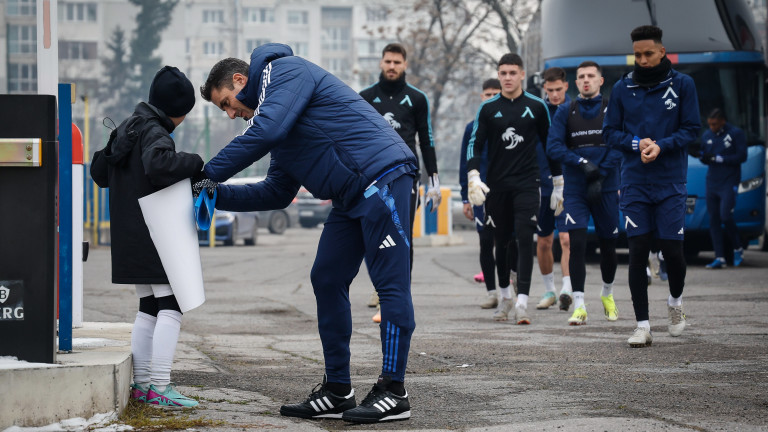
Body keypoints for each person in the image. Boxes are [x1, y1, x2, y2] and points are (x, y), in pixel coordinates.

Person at [196, 44, 416, 423]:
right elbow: (277, 191)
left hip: (385, 179)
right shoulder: (276, 118)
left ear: (239, 80)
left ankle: (394, 391)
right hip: (349, 198)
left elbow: (268, 130)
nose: (232, 114)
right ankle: (337, 390)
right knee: (326, 277)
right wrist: (214, 195)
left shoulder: (285, 71)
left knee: (390, 286)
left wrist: (206, 173)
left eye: (226, 104)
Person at [90, 66, 202, 407]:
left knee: (149, 306)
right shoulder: (155, 131)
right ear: (177, 110)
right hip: (155, 233)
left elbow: (99, 172)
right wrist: (196, 162)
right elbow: (159, 164)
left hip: (128, 234)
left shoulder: (127, 127)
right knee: (172, 304)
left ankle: (141, 385)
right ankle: (160, 387)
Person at [603, 25, 701, 347]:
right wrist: (635, 143)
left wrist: (661, 145)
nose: (642, 60)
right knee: (637, 251)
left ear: (661, 51)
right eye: (638, 54)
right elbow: (609, 133)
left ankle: (675, 303)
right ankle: (642, 326)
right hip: (633, 182)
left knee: (672, 251)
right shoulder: (621, 88)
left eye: (648, 53)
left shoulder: (683, 84)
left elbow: (691, 130)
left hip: (670, 180)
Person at [466, 53, 561, 324]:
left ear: (521, 74)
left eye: (512, 73)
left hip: (528, 184)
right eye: (503, 73)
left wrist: (559, 184)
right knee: (502, 242)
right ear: (499, 75)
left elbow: (550, 146)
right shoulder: (487, 109)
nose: (507, 77)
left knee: (523, 236)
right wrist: (473, 176)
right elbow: (475, 143)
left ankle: (522, 302)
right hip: (496, 187)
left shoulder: (536, 106)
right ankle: (505, 296)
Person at [360, 43, 440, 322]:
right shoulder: (365, 97)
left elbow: (427, 141)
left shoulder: (417, 98)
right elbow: (354, 139)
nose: (392, 66)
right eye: (388, 61)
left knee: (402, 236)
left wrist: (434, 180)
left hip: (406, 178)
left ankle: (398, 292)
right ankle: (379, 288)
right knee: (374, 235)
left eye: (397, 62)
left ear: (405, 65)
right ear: (381, 63)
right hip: (373, 178)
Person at [547, 61, 621, 325]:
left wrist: (600, 173)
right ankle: (579, 303)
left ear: (601, 80)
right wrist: (582, 164)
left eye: (591, 76)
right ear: (575, 83)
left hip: (607, 186)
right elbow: (553, 147)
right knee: (576, 243)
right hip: (576, 188)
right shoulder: (565, 111)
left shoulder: (612, 109)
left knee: (609, 246)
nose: (586, 80)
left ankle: (607, 294)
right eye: (581, 77)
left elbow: (621, 144)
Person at [459, 78, 502, 309]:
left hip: (506, 190)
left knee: (508, 241)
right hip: (479, 194)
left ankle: (511, 283)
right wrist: (465, 196)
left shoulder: (509, 123)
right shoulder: (471, 127)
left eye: (496, 93)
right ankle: (491, 292)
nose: (492, 97)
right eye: (488, 94)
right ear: (481, 97)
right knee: (486, 241)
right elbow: (464, 162)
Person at [536, 67, 573, 311]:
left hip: (569, 184)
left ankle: (567, 289)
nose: (555, 95)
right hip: (542, 184)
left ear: (566, 86)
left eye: (558, 89)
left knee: (567, 238)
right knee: (544, 242)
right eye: (550, 91)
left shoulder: (575, 110)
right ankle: (549, 289)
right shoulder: (537, 110)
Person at [700, 108, 748, 269]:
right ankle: (719, 257)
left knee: (725, 216)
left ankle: (737, 248)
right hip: (712, 182)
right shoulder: (707, 135)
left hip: (729, 181)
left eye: (714, 124)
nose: (712, 127)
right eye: (710, 125)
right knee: (713, 219)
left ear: (722, 121)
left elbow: (742, 156)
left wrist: (720, 159)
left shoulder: (736, 134)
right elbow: (704, 154)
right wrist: (704, 157)